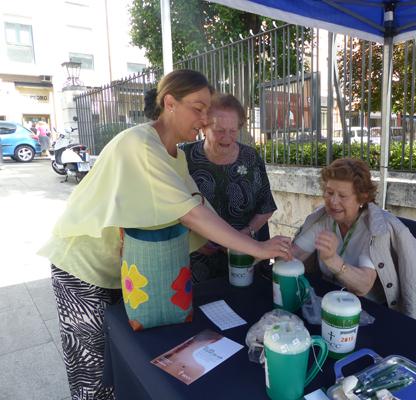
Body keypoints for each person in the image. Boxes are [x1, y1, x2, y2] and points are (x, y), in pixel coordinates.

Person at [38, 69, 292, 400]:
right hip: (83, 268)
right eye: (198, 108)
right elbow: (192, 215)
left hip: (123, 272)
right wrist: (256, 248)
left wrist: (223, 242)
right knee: (95, 369)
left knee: (122, 359)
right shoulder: (140, 144)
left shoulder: (175, 155)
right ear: (169, 103)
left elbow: (198, 206)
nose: (204, 119)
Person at [292, 158, 416, 325]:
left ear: (362, 198)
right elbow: (294, 256)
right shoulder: (323, 220)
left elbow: (363, 286)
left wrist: (332, 260)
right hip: (329, 304)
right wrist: (276, 251)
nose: (333, 201)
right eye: (329, 193)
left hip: (369, 313)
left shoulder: (374, 229)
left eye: (343, 196)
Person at [181, 93, 277, 282]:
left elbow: (266, 207)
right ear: (204, 127)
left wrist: (246, 232)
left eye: (233, 131)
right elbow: (172, 208)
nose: (227, 137)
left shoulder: (250, 158)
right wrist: (195, 240)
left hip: (245, 255)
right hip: (198, 261)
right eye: (219, 130)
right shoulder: (184, 157)